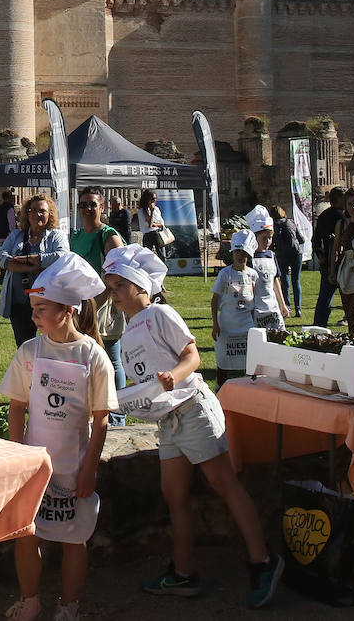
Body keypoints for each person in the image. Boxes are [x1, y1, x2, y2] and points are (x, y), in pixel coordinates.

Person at [104, 245, 284, 608]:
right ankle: (184, 572)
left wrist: (174, 376)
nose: (114, 294)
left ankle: (262, 561)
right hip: (168, 422)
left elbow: (192, 355)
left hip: (193, 409)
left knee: (223, 482)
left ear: (141, 286)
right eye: (111, 287)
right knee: (173, 493)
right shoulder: (127, 335)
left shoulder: (161, 315)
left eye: (119, 286)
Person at [0, 253, 117, 621]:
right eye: (32, 308)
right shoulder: (29, 352)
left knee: (74, 538)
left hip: (73, 467)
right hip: (36, 467)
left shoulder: (93, 356)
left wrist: (89, 470)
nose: (33, 316)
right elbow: (17, 407)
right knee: (26, 533)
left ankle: (69, 607)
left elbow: (101, 421)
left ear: (67, 310)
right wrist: (20, 459)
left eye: (40, 309)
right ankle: (30, 600)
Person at [69, 188, 127, 424]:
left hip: (104, 308)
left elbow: (116, 278)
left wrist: (93, 307)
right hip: (81, 306)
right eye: (83, 204)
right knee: (87, 361)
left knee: (111, 359)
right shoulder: (76, 236)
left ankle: (115, 415)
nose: (87, 209)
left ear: (102, 208)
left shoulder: (109, 236)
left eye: (92, 204)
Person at [0, 193, 70, 346]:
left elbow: (61, 256)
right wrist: (35, 267)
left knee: (52, 344)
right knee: (24, 347)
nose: (37, 214)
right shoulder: (16, 235)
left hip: (49, 302)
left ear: (49, 214)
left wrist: (27, 259)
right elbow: (1, 258)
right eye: (33, 210)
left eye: (42, 211)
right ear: (27, 213)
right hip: (19, 303)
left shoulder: (56, 236)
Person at [211, 230, 263, 387]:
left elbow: (254, 301)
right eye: (237, 252)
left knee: (249, 358)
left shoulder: (253, 275)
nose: (240, 256)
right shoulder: (224, 274)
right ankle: (221, 387)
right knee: (224, 357)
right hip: (227, 324)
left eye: (244, 253)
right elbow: (215, 301)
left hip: (246, 325)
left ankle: (250, 387)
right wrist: (215, 324)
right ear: (232, 252)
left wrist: (255, 324)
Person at [245, 204, 288, 328]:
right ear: (254, 238)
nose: (267, 241)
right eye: (264, 238)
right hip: (256, 307)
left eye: (270, 238)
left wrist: (282, 304)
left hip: (272, 305)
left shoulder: (271, 255)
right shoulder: (249, 258)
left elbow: (275, 280)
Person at [312, 186, 346, 326]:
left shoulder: (324, 216)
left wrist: (320, 255)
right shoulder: (342, 216)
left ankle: (319, 324)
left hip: (328, 260)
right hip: (337, 261)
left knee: (325, 297)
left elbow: (316, 239)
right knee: (331, 296)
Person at [269, 204, 305, 313]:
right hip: (296, 252)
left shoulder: (274, 225)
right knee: (296, 280)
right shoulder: (291, 222)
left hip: (281, 254)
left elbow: (271, 243)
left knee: (284, 280)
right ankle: (298, 308)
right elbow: (301, 239)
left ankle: (287, 306)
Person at [136, 189, 168, 260]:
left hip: (157, 234)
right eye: (153, 199)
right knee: (147, 256)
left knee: (161, 255)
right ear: (147, 199)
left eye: (155, 199)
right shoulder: (142, 211)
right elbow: (149, 225)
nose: (154, 201)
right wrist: (152, 212)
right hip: (148, 235)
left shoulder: (157, 209)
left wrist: (155, 224)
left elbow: (162, 223)